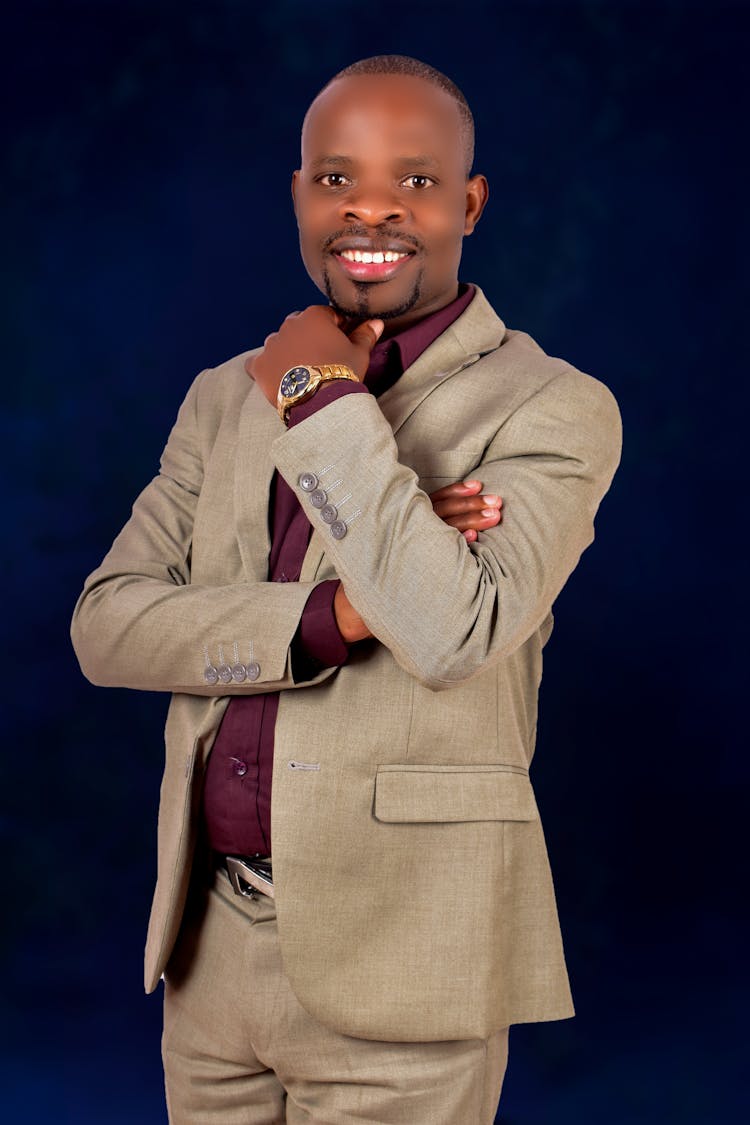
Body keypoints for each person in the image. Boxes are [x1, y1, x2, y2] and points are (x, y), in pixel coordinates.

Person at [71, 54, 621, 1125]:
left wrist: (322, 399)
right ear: (297, 195)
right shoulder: (223, 398)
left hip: (403, 963)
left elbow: (452, 630)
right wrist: (338, 614)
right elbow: (108, 624)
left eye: (415, 181)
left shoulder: (552, 407)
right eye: (336, 179)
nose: (371, 208)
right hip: (209, 956)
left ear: (469, 203)